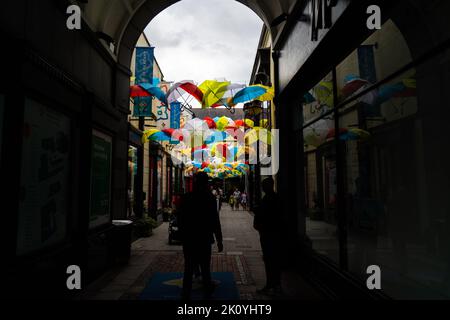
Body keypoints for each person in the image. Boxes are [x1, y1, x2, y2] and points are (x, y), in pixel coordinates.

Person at [178, 172, 223, 300]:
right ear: (206, 183)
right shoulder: (209, 198)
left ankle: (186, 293)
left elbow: (181, 219)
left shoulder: (187, 197)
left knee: (189, 267)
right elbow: (215, 220)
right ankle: (207, 292)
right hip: (204, 238)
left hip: (190, 239)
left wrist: (182, 235)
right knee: (205, 268)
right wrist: (219, 239)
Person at [253, 177, 283, 295]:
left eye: (263, 185)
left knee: (271, 260)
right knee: (271, 260)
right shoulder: (272, 198)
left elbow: (268, 216)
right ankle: (273, 284)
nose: (262, 187)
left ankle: (273, 285)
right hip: (270, 234)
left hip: (270, 234)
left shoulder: (270, 199)